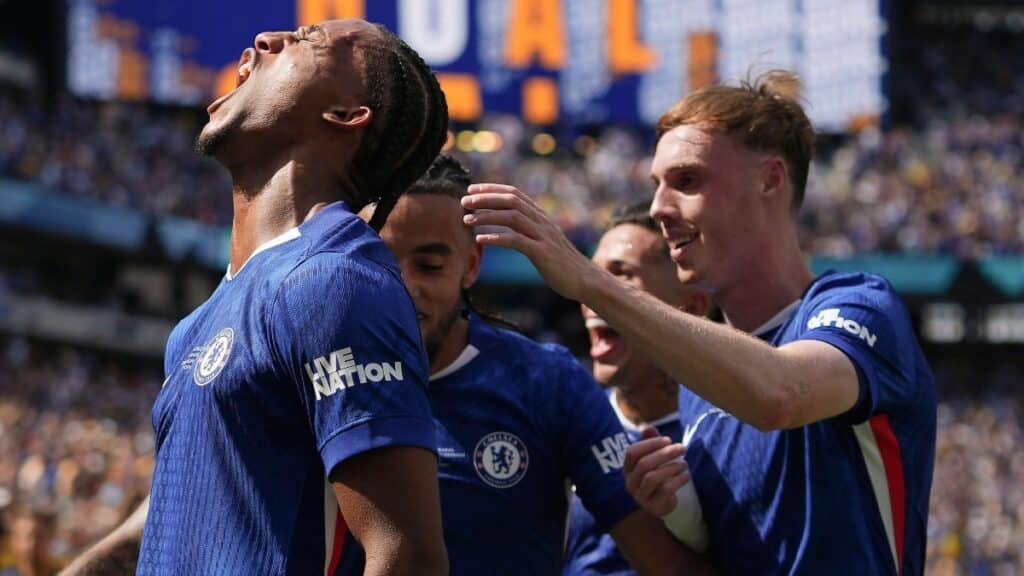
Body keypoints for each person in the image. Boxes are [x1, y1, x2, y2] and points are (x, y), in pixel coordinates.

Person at [461, 71, 937, 575]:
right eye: (656, 186)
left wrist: (591, 282)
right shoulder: (697, 384)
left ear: (770, 179)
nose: (659, 208)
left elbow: (781, 394)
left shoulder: (861, 307)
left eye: (687, 181)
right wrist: (676, 510)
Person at [62, 19, 450, 576]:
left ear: (346, 114)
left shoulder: (337, 282)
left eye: (309, 41)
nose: (265, 41)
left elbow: (408, 556)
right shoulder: (196, 325)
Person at [368, 155, 712, 576]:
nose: (403, 286)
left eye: (429, 266)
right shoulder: (316, 370)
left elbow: (666, 563)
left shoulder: (546, 383)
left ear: (471, 265)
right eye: (379, 261)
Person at [563, 200, 711, 576]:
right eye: (591, 276)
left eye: (620, 276)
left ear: (691, 307)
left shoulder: (727, 434)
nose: (592, 294)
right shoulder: (568, 424)